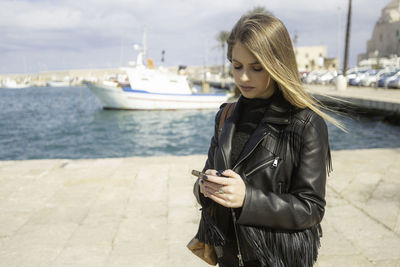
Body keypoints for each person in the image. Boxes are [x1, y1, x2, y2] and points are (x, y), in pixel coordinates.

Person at [193, 13, 343, 267]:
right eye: (237, 66)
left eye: (256, 68)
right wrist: (205, 189)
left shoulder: (306, 123)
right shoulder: (225, 116)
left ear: (277, 64)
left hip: (277, 260)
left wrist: (247, 199)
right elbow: (207, 179)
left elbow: (311, 208)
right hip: (228, 257)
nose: (243, 78)